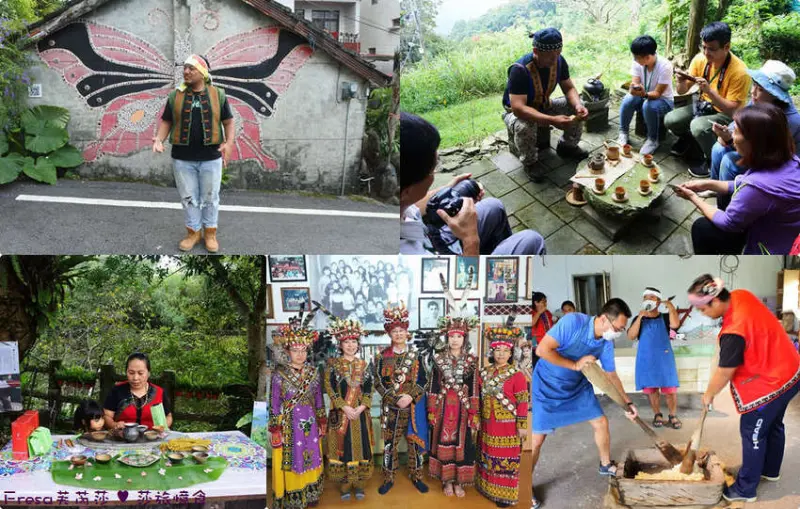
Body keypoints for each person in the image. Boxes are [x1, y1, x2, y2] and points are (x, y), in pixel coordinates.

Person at [687, 275, 800, 503]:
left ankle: (746, 488)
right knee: (773, 424)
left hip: (770, 383)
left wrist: (709, 393)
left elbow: (726, 371)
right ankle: (769, 470)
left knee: (753, 432)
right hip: (791, 370)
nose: (702, 313)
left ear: (716, 301)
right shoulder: (741, 295)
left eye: (702, 309)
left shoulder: (734, 331)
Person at [530, 299, 639, 509]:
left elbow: (611, 376)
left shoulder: (606, 342)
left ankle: (606, 464)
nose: (619, 332)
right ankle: (525, 485)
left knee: (600, 421)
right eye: (619, 328)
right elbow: (542, 350)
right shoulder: (573, 322)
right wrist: (574, 364)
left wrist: (628, 403)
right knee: (536, 439)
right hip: (547, 386)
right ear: (605, 319)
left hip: (577, 386)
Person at [400, 113, 545, 256]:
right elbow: (462, 280)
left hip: (429, 238)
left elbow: (411, 204)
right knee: (532, 240)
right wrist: (470, 239)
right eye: (432, 170)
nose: (435, 173)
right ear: (407, 191)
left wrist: (447, 189)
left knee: (494, 207)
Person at [674, 103, 800, 254]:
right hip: (778, 225)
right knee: (724, 196)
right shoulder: (788, 159)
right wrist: (707, 184)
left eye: (737, 131)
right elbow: (742, 185)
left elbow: (729, 222)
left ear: (755, 142)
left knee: (702, 227)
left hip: (768, 246)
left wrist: (692, 197)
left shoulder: (757, 189)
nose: (732, 134)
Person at [152, 54, 235, 253]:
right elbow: (167, 121)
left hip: (210, 158)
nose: (186, 71)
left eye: (191, 68)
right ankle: (193, 232)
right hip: (182, 158)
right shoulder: (176, 96)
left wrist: (229, 143)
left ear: (203, 73)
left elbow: (228, 122)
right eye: (185, 68)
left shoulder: (218, 95)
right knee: (188, 197)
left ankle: (210, 233)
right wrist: (158, 139)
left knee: (210, 197)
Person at [502, 27, 590, 181]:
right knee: (524, 126)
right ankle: (530, 163)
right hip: (516, 113)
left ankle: (567, 147)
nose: (555, 59)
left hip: (544, 104)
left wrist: (577, 106)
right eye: (550, 56)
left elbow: (568, 87)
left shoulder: (559, 61)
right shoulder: (520, 70)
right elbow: (518, 108)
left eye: (558, 54)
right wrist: (552, 120)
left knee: (577, 105)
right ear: (536, 50)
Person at [665, 22, 751, 177]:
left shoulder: (740, 72)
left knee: (698, 126)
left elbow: (732, 110)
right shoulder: (700, 59)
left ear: (726, 47)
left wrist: (710, 92)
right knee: (671, 119)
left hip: (725, 113)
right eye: (703, 47)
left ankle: (712, 160)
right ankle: (689, 139)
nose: (706, 52)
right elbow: (682, 91)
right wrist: (681, 81)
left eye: (711, 49)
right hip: (704, 105)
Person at [708, 60, 800, 190]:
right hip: (752, 148)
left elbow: (764, 154)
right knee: (718, 149)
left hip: (775, 165)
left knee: (729, 162)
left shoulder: (789, 121)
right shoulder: (758, 101)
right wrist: (726, 132)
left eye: (760, 89)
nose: (753, 92)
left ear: (775, 95)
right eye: (754, 85)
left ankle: (728, 204)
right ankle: (714, 187)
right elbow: (739, 122)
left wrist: (730, 140)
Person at [269, 317, 326, 509]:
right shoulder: (279, 375)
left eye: (303, 350)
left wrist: (322, 421)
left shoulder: (314, 372)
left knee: (311, 456)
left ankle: (311, 493)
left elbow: (319, 399)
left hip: (310, 422)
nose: (300, 355)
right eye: (295, 350)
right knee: (294, 457)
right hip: (289, 424)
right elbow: (274, 403)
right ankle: (294, 495)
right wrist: (275, 428)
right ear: (288, 352)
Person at [373, 303, 429, 495]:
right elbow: (378, 382)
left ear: (407, 333)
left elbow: (424, 380)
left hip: (413, 407)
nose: (398, 334)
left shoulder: (417, 356)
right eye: (394, 331)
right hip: (392, 408)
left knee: (415, 443)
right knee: (390, 444)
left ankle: (417, 475)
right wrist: (393, 398)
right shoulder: (381, 357)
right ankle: (388, 477)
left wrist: (410, 396)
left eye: (401, 331)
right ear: (389, 334)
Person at [476, 321, 529, 508]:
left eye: (504, 350)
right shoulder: (484, 373)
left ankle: (504, 494)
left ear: (510, 353)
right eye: (497, 350)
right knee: (487, 454)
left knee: (506, 458)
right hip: (487, 422)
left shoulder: (517, 375)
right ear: (492, 352)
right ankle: (487, 487)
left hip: (507, 425)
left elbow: (523, 400)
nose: (500, 354)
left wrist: (522, 426)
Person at [427, 314, 479, 497]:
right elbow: (433, 384)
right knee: (443, 441)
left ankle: (459, 481)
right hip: (443, 407)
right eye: (451, 336)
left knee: (462, 443)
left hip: (463, 409)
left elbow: (473, 387)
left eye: (458, 336)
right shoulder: (438, 359)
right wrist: (431, 409)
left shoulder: (472, 361)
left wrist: (474, 412)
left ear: (464, 338)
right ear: (446, 338)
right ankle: (447, 481)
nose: (455, 340)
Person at [323, 318, 374, 501]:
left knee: (361, 447)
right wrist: (344, 407)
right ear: (340, 344)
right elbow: (329, 387)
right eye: (346, 341)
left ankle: (359, 484)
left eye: (353, 341)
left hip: (360, 415)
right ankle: (345, 485)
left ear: (358, 344)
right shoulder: (332, 365)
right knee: (342, 447)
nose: (350, 345)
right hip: (340, 414)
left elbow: (369, 388)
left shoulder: (365, 365)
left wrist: (360, 407)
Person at [627, 287, 681, 429]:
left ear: (658, 301)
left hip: (665, 359)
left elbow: (675, 325)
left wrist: (670, 307)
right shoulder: (639, 318)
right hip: (646, 359)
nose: (648, 300)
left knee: (670, 390)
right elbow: (631, 336)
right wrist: (639, 317)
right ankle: (657, 414)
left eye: (652, 297)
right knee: (652, 391)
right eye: (645, 297)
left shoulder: (664, 317)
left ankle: (673, 415)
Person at [617, 35, 675, 155]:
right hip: (645, 96)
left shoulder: (665, 66)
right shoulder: (638, 63)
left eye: (637, 58)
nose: (635, 60)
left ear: (647, 57)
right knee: (628, 99)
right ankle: (623, 133)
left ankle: (653, 140)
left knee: (648, 105)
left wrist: (644, 94)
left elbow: (658, 93)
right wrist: (633, 89)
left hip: (664, 101)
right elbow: (635, 82)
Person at [103, 352, 173, 431]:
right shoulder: (117, 390)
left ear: (148, 373)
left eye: (140, 373)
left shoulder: (159, 392)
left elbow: (168, 416)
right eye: (131, 373)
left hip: (153, 438)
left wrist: (163, 427)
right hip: (123, 439)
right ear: (126, 372)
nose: (135, 378)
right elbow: (107, 416)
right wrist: (114, 425)